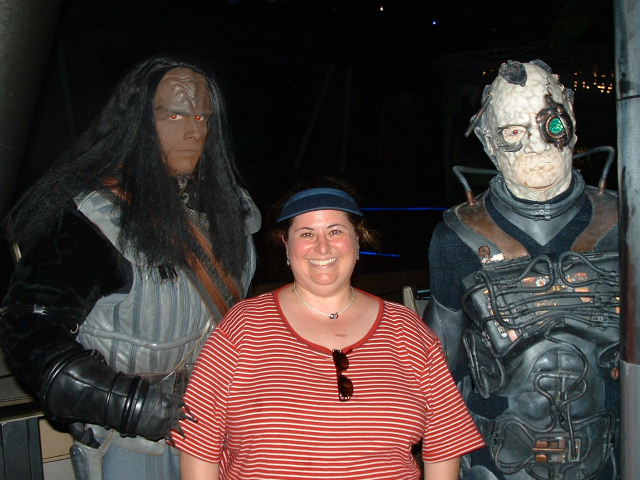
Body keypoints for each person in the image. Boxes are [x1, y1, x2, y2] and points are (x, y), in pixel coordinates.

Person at [0, 56, 260, 480]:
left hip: (217, 425)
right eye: (174, 115)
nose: (194, 131)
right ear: (139, 121)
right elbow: (29, 327)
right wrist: (123, 403)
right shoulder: (92, 219)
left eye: (201, 117)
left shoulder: (230, 211)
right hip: (133, 440)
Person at [173, 185, 485, 480]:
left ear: (356, 241)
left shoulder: (405, 329)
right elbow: (199, 439)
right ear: (286, 244)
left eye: (335, 231)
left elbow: (446, 441)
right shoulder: (244, 325)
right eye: (306, 233)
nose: (322, 246)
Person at [425, 60, 620, 479]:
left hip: (610, 458)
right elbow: (439, 371)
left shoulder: (626, 226)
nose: (536, 145)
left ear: (571, 121)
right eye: (514, 132)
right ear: (488, 141)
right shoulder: (455, 239)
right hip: (496, 461)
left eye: (551, 125)